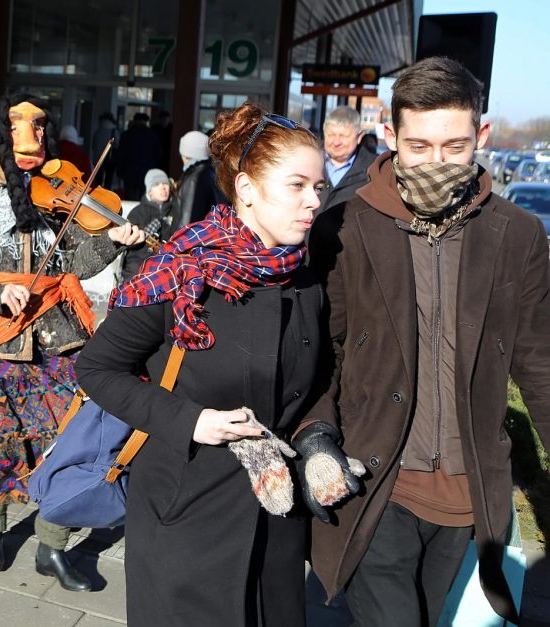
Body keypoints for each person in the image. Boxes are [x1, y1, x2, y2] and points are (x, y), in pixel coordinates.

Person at [76, 104, 350, 626]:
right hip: (186, 518)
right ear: (246, 188)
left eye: (318, 186)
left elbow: (323, 376)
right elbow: (97, 369)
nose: (314, 201)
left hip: (277, 529)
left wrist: (318, 437)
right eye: (297, 185)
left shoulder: (306, 280)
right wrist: (192, 421)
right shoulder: (181, 271)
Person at [305, 56, 550, 626]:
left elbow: (539, 360)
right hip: (375, 482)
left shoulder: (517, 233)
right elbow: (322, 349)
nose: (436, 163)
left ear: (481, 135)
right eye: (418, 146)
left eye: (455, 146)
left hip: (468, 493)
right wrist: (316, 438)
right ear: (390, 134)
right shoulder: (345, 225)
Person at [0, 93, 144, 591]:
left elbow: (73, 265)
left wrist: (113, 242)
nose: (36, 138)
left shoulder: (53, 189)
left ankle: (52, 545)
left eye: (42, 127)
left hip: (57, 333)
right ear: (2, 132)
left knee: (64, 440)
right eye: (24, 127)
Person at [120, 168, 177, 282]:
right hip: (138, 263)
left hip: (167, 263)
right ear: (149, 190)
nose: (163, 187)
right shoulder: (138, 212)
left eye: (165, 183)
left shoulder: (177, 211)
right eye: (156, 184)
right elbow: (127, 242)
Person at [319, 105, 374, 214]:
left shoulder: (373, 171)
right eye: (331, 135)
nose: (336, 142)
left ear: (359, 137)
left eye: (344, 136)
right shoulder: (309, 163)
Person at [175, 130, 226, 228]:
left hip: (191, 240)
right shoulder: (212, 173)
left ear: (185, 154)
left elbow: (187, 221)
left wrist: (177, 242)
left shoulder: (195, 179)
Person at [116, 112, 161, 200]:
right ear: (146, 121)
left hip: (129, 172)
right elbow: (158, 154)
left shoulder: (126, 135)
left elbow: (121, 154)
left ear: (135, 121)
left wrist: (120, 171)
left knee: (130, 198)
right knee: (144, 198)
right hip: (147, 172)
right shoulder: (153, 135)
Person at [91, 112, 120, 190]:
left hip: (98, 158)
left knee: (98, 179)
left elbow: (94, 146)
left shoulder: (97, 131)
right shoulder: (113, 131)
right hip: (110, 159)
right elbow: (117, 145)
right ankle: (106, 195)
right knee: (108, 179)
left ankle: (97, 193)